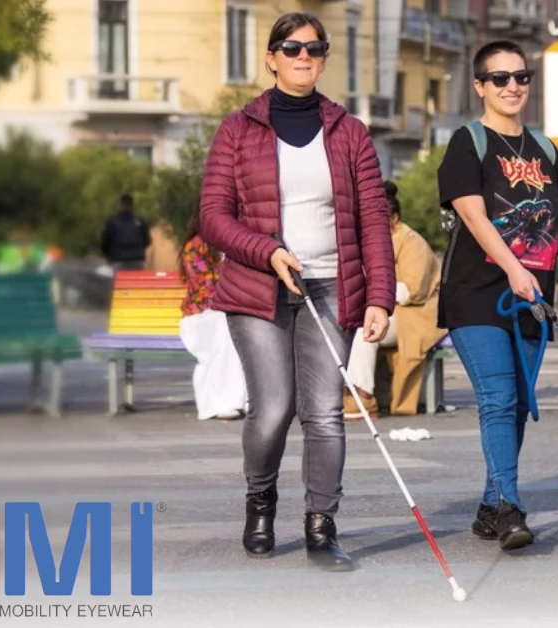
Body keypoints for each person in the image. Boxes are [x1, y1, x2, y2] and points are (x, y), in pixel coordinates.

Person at [198, 12, 395, 572]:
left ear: (324, 57)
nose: (303, 56)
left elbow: (374, 221)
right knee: (273, 409)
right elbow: (213, 216)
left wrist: (379, 295)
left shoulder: (349, 131)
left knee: (326, 413)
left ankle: (321, 526)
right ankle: (260, 502)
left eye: (314, 48)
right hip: (258, 287)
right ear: (271, 57)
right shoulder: (236, 130)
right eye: (291, 48)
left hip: (332, 284)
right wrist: (266, 251)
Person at [436, 40, 558, 551]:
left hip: (534, 296)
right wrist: (510, 267)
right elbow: (472, 213)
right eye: (500, 78)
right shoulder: (468, 142)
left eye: (521, 77)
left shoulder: (544, 148)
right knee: (498, 398)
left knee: (518, 401)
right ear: (480, 87)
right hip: (479, 293)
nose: (512, 87)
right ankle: (509, 507)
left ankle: (490, 506)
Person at [343, 181, 446, 419]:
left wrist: (373, 295)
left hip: (415, 314)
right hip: (384, 309)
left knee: (365, 328)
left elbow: (412, 290)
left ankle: (362, 394)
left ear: (394, 218)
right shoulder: (365, 241)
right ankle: (344, 390)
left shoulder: (412, 241)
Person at [176, 219, 248, 421]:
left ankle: (240, 399)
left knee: (240, 328)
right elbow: (206, 288)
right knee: (225, 332)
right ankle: (222, 402)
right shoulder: (197, 245)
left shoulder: (230, 241)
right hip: (201, 314)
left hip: (224, 310)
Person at [100, 194, 152, 271]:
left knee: (118, 282)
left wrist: (108, 256)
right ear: (132, 205)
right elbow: (147, 241)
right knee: (136, 282)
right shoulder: (140, 221)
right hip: (137, 261)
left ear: (120, 204)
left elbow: (105, 242)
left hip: (118, 260)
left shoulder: (112, 221)